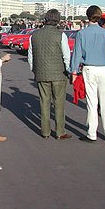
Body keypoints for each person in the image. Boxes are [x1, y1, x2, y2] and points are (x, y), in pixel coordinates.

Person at [70, 5, 105, 143]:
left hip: (89, 69)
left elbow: (77, 55)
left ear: (87, 17)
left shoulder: (82, 34)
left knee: (92, 103)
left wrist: (74, 71)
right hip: (103, 69)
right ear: (99, 17)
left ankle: (91, 133)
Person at [28, 9, 72, 140]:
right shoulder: (61, 35)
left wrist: (34, 70)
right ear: (57, 20)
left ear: (46, 19)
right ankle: (60, 131)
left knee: (44, 103)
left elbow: (31, 56)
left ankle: (45, 131)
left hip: (41, 74)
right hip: (59, 74)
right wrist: (68, 70)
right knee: (59, 103)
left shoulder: (34, 35)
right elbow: (66, 56)